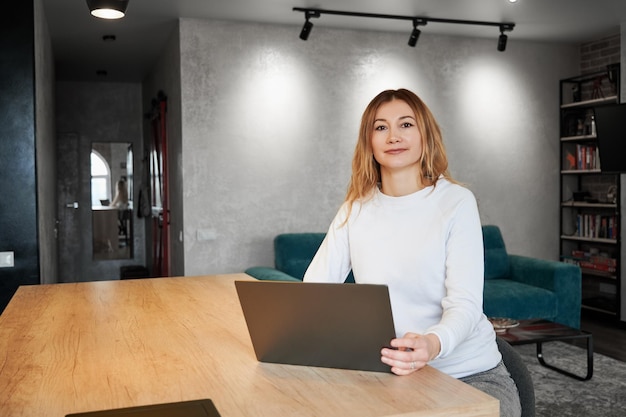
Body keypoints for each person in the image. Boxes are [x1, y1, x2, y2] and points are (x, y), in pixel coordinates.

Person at [303, 89, 521, 417]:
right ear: (369, 142)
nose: (393, 136)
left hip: (468, 374)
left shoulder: (457, 202)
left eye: (406, 124)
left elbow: (465, 304)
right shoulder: (356, 209)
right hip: (388, 373)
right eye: (380, 128)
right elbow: (316, 290)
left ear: (424, 135)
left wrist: (431, 345)